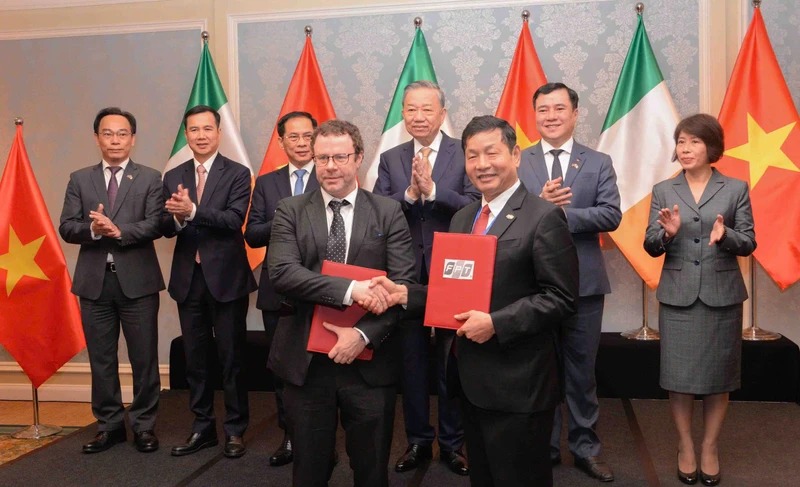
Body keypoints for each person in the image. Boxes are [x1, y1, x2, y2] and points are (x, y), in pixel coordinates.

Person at [368, 115, 579, 486]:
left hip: (519, 383)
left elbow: (561, 298)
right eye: (472, 155)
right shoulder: (463, 217)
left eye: (491, 153)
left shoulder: (543, 217)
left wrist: (497, 323)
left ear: (515, 155)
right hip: (468, 378)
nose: (482, 165)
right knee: (484, 476)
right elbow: (454, 291)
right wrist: (408, 295)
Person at [267, 119, 416, 487]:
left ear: (359, 158)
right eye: (322, 158)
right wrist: (352, 290)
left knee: (370, 468)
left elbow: (403, 287)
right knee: (309, 469)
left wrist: (361, 336)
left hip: (368, 364)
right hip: (306, 361)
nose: (330, 166)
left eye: (340, 157)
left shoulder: (387, 211)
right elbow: (283, 273)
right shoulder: (290, 209)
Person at [644, 113, 756, 487]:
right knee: (679, 378)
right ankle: (685, 445)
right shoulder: (664, 189)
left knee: (718, 379)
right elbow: (650, 244)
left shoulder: (735, 187)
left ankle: (709, 446)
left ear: (712, 147)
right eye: (681, 142)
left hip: (721, 296)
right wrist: (668, 235)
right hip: (678, 296)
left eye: (694, 141)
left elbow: (749, 241)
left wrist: (726, 237)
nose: (686, 148)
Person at [373, 80, 478, 475]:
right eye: (411, 109)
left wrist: (433, 191)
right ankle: (418, 440)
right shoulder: (391, 157)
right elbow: (379, 208)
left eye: (427, 109)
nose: (418, 116)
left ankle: (453, 443)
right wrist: (409, 196)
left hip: (453, 272)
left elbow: (475, 204)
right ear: (403, 113)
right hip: (404, 273)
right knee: (411, 362)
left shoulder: (462, 152)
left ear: (442, 113)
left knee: (452, 362)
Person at [518, 82, 621, 482]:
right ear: (535, 115)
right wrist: (539, 207)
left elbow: (611, 215)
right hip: (532, 285)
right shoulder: (518, 161)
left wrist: (561, 216)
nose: (551, 116)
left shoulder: (597, 161)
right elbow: (505, 215)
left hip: (585, 284)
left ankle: (585, 448)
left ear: (575, 113)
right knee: (539, 370)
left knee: (581, 372)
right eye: (543, 109)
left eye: (559, 108)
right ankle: (542, 446)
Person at [59, 107, 164, 454]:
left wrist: (120, 231)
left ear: (133, 138)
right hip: (94, 283)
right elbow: (67, 226)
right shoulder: (79, 179)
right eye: (108, 133)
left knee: (144, 358)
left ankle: (144, 426)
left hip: (138, 283)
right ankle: (109, 426)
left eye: (122, 133)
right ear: (97, 138)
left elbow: (155, 224)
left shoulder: (150, 178)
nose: (115, 140)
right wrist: (92, 228)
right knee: (101, 359)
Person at [161, 105, 257, 459]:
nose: (200, 135)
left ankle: (235, 429)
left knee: (231, 359)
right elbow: (165, 224)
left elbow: (234, 220)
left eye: (207, 129)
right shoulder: (173, 175)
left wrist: (194, 212)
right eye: (193, 130)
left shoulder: (237, 172)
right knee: (195, 360)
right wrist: (179, 219)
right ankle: (202, 428)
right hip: (189, 280)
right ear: (186, 135)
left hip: (227, 279)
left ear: (218, 133)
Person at [244, 110, 319, 467]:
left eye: (308, 136)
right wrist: (287, 216)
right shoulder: (268, 183)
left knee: (321, 373)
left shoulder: (332, 175)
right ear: (281, 141)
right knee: (282, 370)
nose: (302, 143)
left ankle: (322, 442)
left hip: (322, 290)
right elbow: (253, 234)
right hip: (278, 291)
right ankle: (289, 436)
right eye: (294, 137)